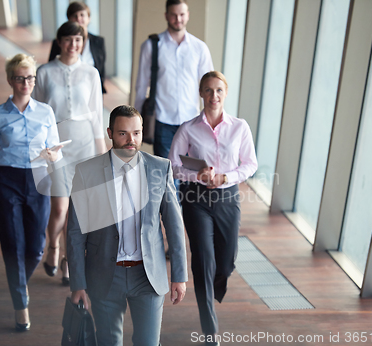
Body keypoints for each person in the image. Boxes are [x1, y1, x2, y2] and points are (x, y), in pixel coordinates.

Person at [66, 105, 188, 346]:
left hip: (148, 275)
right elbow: (75, 233)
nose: (131, 140)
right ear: (110, 133)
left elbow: (174, 225)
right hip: (104, 275)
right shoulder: (86, 172)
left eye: (136, 133)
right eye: (123, 133)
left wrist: (179, 275)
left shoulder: (159, 168)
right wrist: (77, 283)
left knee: (148, 343)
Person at [168, 71, 258, 345]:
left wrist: (225, 177)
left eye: (218, 90)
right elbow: (173, 165)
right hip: (196, 201)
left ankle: (218, 281)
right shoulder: (188, 128)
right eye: (208, 90)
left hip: (228, 199)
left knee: (226, 261)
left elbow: (250, 164)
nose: (213, 96)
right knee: (203, 260)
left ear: (226, 93)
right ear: (201, 94)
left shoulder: (239, 127)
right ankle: (210, 331)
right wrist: (199, 175)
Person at [0, 53, 62, 331]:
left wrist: (52, 156)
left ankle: (19, 279)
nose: (26, 83)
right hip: (8, 182)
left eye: (31, 78)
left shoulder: (46, 112)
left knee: (36, 247)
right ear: (10, 80)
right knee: (13, 246)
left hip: (39, 181)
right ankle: (21, 303)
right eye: (20, 78)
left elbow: (57, 152)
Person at [33, 21, 106, 286]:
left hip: (85, 144)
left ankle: (67, 260)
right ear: (59, 41)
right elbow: (37, 114)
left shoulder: (91, 73)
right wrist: (40, 150)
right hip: (56, 146)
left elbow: (97, 115)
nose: (74, 45)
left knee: (77, 212)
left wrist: (102, 154)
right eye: (69, 39)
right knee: (60, 209)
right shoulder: (44, 72)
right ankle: (52, 244)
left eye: (79, 40)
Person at [134, 0, 213, 159]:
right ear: (166, 16)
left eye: (182, 14)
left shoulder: (200, 48)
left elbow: (209, 86)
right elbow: (141, 86)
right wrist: (136, 122)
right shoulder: (151, 46)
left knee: (190, 174)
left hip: (192, 121)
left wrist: (211, 119)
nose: (178, 19)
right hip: (162, 121)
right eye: (174, 15)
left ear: (188, 15)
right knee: (168, 174)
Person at [48, 1, 107, 93]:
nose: (78, 18)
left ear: (89, 18)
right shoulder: (59, 42)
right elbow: (51, 68)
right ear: (69, 19)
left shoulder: (99, 41)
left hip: (92, 88)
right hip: (65, 89)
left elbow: (101, 70)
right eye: (75, 15)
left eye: (82, 15)